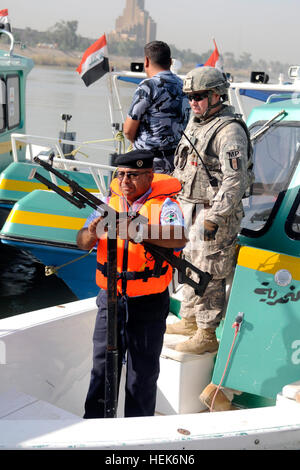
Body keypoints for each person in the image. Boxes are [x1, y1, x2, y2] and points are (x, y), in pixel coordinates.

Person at [77, 149, 186, 418]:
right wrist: (92, 231)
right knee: (101, 369)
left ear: (150, 175)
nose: (125, 181)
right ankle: (94, 431)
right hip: (110, 297)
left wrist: (140, 230)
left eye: (134, 176)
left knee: (142, 376)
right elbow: (80, 242)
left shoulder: (167, 206)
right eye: (121, 175)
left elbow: (179, 237)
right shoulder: (107, 203)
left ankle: (136, 437)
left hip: (147, 302)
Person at [167, 66, 254, 355]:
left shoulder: (229, 131)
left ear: (217, 95)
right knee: (190, 264)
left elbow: (235, 179)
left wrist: (215, 217)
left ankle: (206, 334)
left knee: (209, 270)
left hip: (214, 213)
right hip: (190, 207)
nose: (193, 102)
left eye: (200, 96)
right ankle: (190, 320)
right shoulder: (197, 122)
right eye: (190, 96)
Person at [123, 40, 189, 174]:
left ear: (146, 61)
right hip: (177, 163)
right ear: (170, 62)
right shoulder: (184, 85)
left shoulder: (148, 86)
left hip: (148, 165)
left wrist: (135, 144)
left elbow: (128, 130)